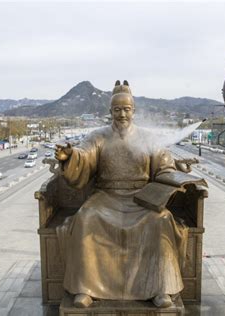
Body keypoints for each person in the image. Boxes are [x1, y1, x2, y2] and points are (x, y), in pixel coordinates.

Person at [55, 80, 188, 309]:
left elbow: (164, 165)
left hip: (141, 198)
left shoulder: (148, 137)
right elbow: (84, 156)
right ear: (110, 111)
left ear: (133, 111)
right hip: (106, 196)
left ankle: (160, 288)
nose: (122, 114)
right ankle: (84, 288)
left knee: (161, 220)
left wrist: (176, 175)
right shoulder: (99, 136)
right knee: (86, 219)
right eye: (117, 109)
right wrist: (71, 156)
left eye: (126, 109)